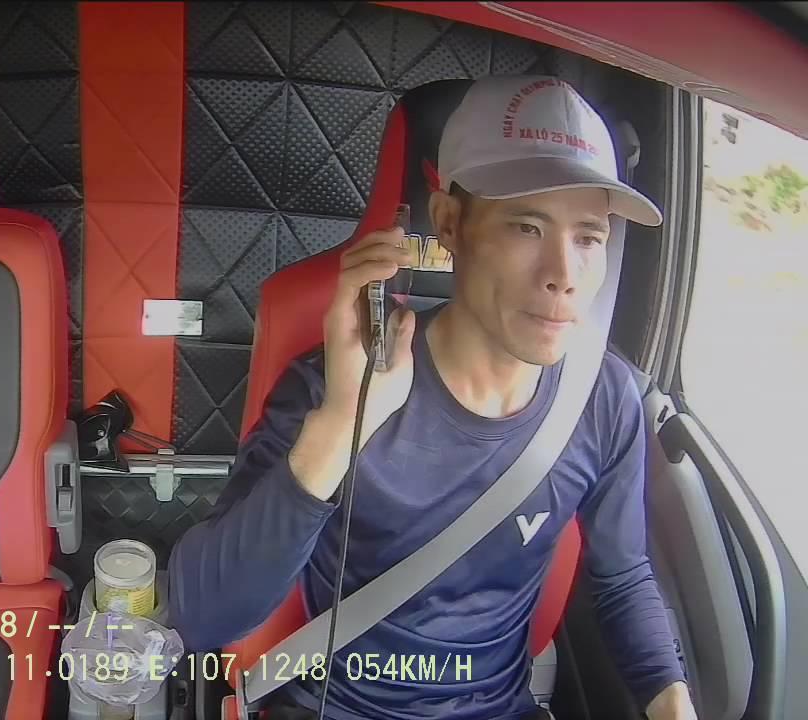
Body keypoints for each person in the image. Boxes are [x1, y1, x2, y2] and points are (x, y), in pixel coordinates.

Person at [168, 76, 699, 720]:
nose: (564, 275)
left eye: (589, 237)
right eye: (527, 227)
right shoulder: (343, 384)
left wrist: (674, 704)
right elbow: (202, 616)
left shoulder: (604, 396)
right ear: (450, 223)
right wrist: (343, 421)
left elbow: (622, 578)